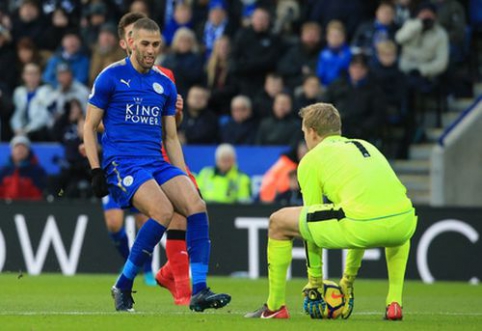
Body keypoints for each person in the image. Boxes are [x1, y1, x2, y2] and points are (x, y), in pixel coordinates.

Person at [83, 17, 230, 312]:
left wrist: (183, 173)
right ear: (131, 43)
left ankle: (199, 289)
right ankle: (124, 284)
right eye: (146, 44)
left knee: (196, 206)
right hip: (123, 163)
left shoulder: (164, 84)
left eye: (156, 44)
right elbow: (89, 127)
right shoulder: (110, 77)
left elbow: (171, 137)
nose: (151, 50)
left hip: (156, 160)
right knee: (162, 212)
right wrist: (96, 168)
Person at [246, 103, 417, 320]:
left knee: (278, 221)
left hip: (360, 224)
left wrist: (315, 282)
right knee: (385, 213)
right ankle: (394, 302)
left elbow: (311, 221)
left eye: (304, 132)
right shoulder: (366, 146)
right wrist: (347, 280)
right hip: (404, 224)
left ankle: (275, 306)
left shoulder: (311, 160)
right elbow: (366, 207)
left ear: (312, 132)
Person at [0, 135, 47, 200]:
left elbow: (43, 193)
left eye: (23, 147)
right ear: (12, 150)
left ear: (28, 150)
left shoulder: (38, 171)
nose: (20, 150)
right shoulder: (3, 171)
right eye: (17, 147)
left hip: (31, 208)